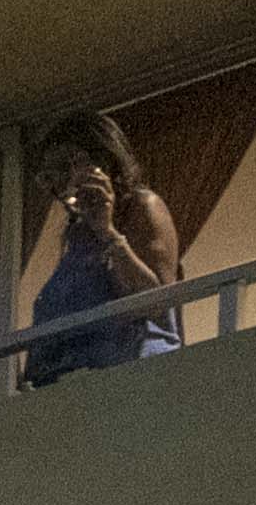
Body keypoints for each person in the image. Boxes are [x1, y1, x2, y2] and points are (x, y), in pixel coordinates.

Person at [14, 111, 186, 389]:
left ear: (101, 160)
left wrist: (108, 233)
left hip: (132, 383)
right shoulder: (76, 237)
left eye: (67, 165)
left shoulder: (142, 207)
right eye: (50, 174)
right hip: (71, 393)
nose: (59, 182)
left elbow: (155, 303)